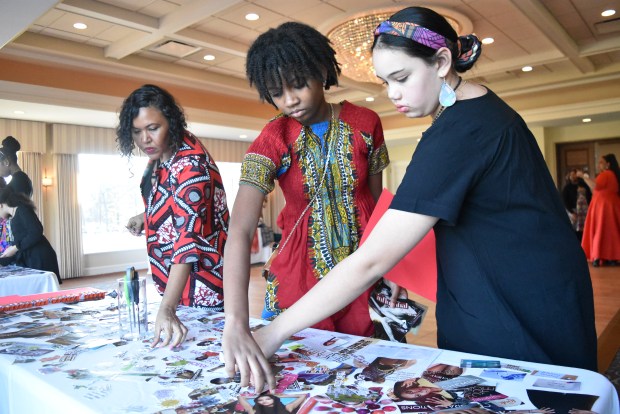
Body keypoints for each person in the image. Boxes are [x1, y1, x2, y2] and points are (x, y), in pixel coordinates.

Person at [229, 6, 598, 391]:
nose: (393, 95)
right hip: (526, 290)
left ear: (441, 61)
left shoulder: (457, 133)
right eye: (386, 82)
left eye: (401, 78)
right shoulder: (480, 111)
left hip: (517, 307)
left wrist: (273, 334)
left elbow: (373, 255)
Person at [222, 21, 400, 375]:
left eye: (299, 84)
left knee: (370, 375)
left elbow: (378, 206)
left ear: (321, 71)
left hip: (364, 264)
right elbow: (240, 231)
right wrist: (234, 323)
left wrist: (393, 264)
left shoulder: (366, 123)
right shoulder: (273, 138)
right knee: (306, 374)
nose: (290, 100)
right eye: (276, 92)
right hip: (299, 271)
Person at [118, 84, 229, 348]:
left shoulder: (191, 166)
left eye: (153, 128)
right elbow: (172, 201)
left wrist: (167, 307)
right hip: (177, 287)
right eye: (137, 131)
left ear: (172, 122)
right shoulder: (160, 155)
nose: (145, 139)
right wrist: (146, 216)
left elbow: (187, 241)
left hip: (203, 288)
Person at [0, 186, 61, 284]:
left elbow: (36, 231)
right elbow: (22, 244)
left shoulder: (22, 209)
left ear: (1, 205)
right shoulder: (14, 215)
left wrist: (15, 248)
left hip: (40, 257)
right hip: (31, 257)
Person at [579, 154, 620, 266]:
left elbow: (594, 186)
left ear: (608, 164)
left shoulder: (606, 174)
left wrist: (583, 176)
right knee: (610, 232)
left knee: (600, 230)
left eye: (601, 162)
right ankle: (611, 257)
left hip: (603, 207)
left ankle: (599, 255)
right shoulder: (613, 175)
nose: (599, 164)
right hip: (609, 205)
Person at [562, 168, 592, 239]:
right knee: (574, 232)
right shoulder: (567, 188)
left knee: (585, 231)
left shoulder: (584, 185)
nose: (572, 176)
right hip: (573, 212)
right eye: (570, 175)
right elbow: (564, 201)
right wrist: (571, 212)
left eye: (574, 174)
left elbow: (589, 197)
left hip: (584, 212)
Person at [238, 393, 307, 414]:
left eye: (268, 399)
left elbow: (303, 396)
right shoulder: (254, 411)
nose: (264, 401)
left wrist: (278, 396)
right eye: (260, 400)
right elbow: (241, 397)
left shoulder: (286, 408)